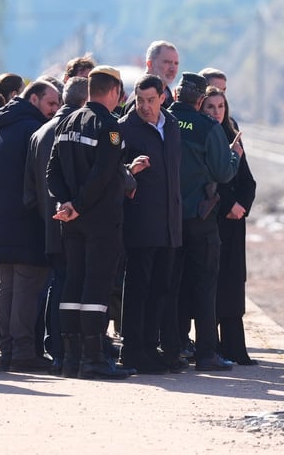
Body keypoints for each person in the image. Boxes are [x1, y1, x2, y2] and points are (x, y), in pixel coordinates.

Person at [46, 65, 144, 380]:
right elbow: (103, 174)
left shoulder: (66, 122)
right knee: (97, 286)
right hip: (100, 220)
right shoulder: (109, 127)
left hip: (71, 221)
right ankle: (93, 360)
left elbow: (53, 172)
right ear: (114, 91)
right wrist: (80, 205)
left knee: (73, 282)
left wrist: (65, 203)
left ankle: (70, 359)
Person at [168, 72, 242, 371]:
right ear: (200, 100)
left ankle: (170, 348)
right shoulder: (206, 127)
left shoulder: (163, 121)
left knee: (169, 285)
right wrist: (234, 155)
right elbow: (223, 172)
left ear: (175, 95)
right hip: (200, 217)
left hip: (167, 218)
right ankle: (206, 353)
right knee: (204, 286)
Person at [23, 76, 89, 374]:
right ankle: (64, 349)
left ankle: (55, 347)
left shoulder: (39, 132)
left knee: (56, 285)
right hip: (76, 224)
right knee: (70, 286)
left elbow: (30, 192)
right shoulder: (75, 131)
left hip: (47, 226)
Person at [118, 74, 183, 374]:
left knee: (160, 289)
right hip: (141, 223)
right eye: (140, 100)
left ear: (163, 98)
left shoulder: (170, 126)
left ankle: (151, 347)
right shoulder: (124, 129)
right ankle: (132, 351)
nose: (144, 106)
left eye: (150, 100)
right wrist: (129, 171)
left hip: (169, 224)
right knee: (138, 290)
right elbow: (109, 171)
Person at [0, 79, 60, 372]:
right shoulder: (34, 130)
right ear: (33, 99)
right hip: (26, 224)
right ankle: (22, 351)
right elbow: (40, 182)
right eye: (51, 103)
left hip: (2, 223)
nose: (54, 110)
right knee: (24, 289)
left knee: (7, 287)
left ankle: (9, 349)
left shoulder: (3, 125)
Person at [201, 86, 257, 365]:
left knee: (234, 282)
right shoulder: (203, 134)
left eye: (220, 107)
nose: (216, 112)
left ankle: (235, 347)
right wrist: (229, 205)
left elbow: (247, 179)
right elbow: (210, 180)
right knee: (213, 283)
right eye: (210, 107)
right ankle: (212, 346)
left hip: (235, 223)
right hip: (213, 219)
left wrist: (242, 206)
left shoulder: (231, 133)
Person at [124, 41, 179, 114]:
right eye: (167, 62)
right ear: (150, 64)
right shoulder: (138, 101)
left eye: (176, 63)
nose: (172, 69)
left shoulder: (168, 96)